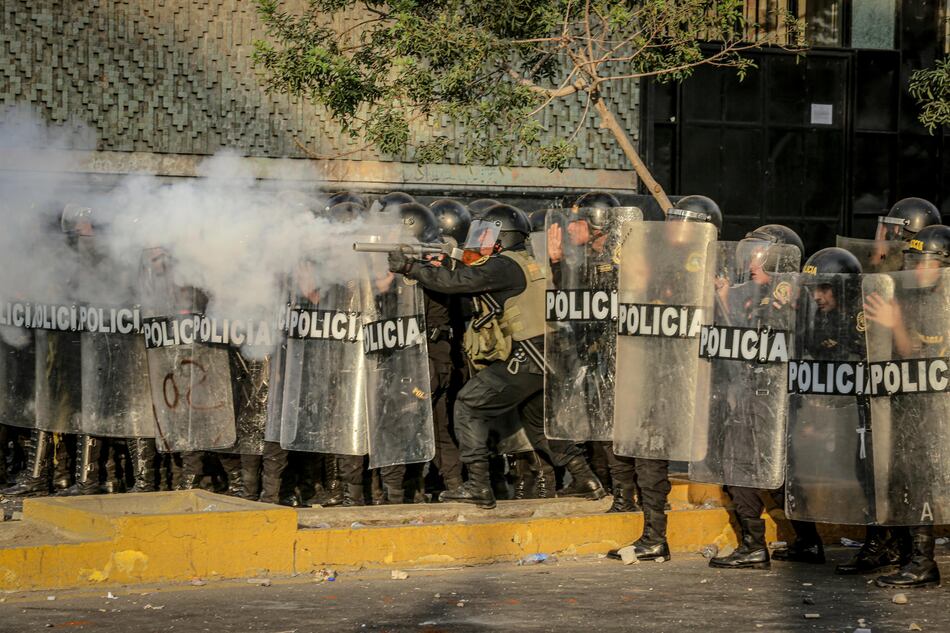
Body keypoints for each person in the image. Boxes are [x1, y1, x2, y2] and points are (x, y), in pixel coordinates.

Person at [387, 203, 605, 509]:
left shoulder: (505, 265)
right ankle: (586, 480)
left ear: (503, 237)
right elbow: (466, 272)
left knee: (468, 404)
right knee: (539, 425)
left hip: (531, 354)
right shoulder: (524, 261)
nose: (482, 239)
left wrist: (410, 268)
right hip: (549, 354)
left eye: (488, 234)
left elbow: (457, 283)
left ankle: (478, 485)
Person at [863, 224, 950, 589]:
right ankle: (913, 556)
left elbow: (916, 356)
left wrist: (896, 326)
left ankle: (922, 561)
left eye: (925, 262)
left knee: (925, 480)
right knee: (909, 480)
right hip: (912, 409)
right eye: (912, 260)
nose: (917, 269)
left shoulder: (944, 299)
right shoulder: (910, 296)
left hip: (938, 411)